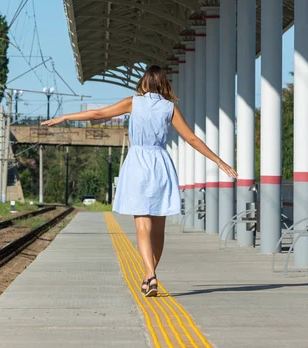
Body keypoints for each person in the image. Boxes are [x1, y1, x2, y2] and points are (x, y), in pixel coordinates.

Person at [41, 65, 237, 297]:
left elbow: (97, 115)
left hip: (138, 164)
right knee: (159, 229)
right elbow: (192, 139)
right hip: (161, 164)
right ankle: (149, 275)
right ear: (164, 83)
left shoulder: (133, 102)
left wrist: (65, 116)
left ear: (145, 82)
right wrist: (219, 161)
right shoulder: (169, 107)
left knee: (142, 226)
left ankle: (150, 275)